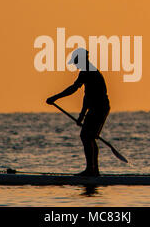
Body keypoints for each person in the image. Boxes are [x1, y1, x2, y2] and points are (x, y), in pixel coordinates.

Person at [46, 48, 110, 176]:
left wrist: (55, 98)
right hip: (97, 107)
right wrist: (82, 114)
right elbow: (87, 96)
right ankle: (93, 170)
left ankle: (91, 170)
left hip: (99, 108)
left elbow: (73, 89)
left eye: (76, 61)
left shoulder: (88, 71)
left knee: (87, 136)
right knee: (89, 137)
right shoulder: (87, 70)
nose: (75, 64)